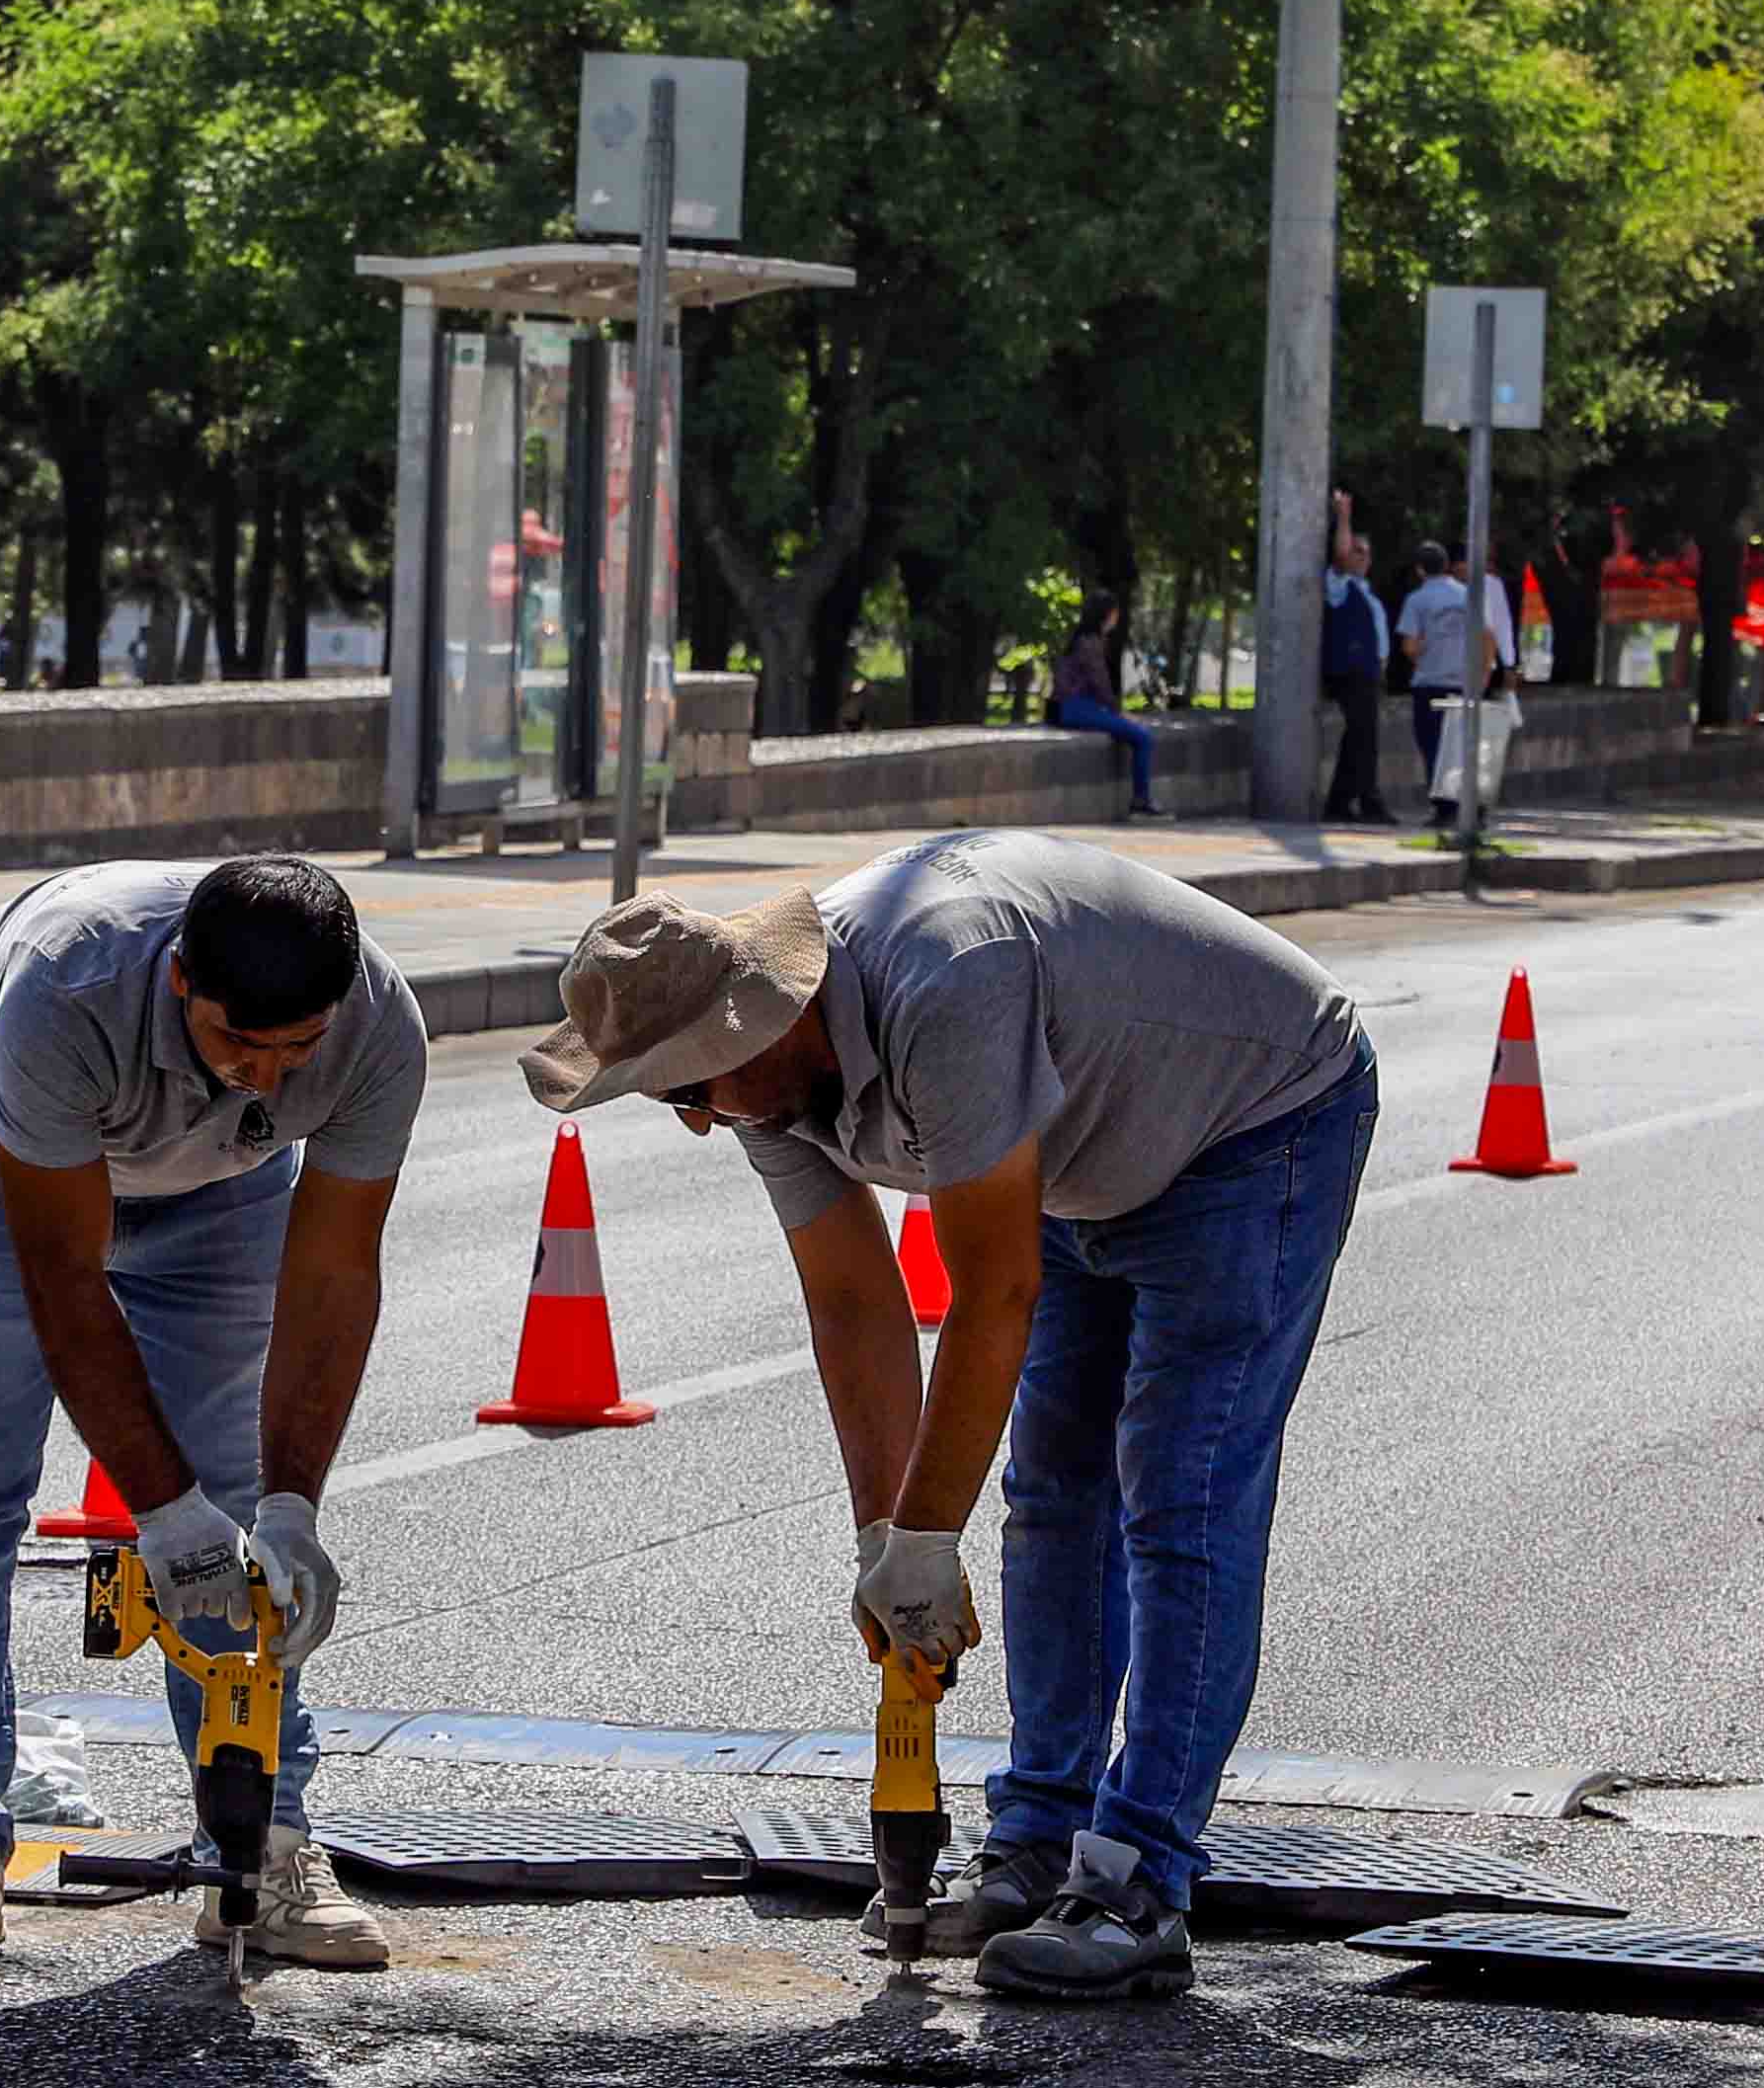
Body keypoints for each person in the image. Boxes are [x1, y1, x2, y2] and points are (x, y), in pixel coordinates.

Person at [526, 832, 1382, 2006]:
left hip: (1255, 1121)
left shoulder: (945, 982)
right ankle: (1041, 1837)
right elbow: (853, 1302)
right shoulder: (770, 1089)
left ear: (751, 1030)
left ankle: (1139, 1882)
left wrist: (930, 1531)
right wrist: (888, 1542)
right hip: (1082, 1150)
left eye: (688, 1090)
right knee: (1054, 1494)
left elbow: (994, 1293)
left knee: (1180, 1491)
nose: (696, 1122)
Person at [0, 853, 424, 1988]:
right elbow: (63, 1281)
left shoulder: (378, 1026)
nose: (264, 1071)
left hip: (223, 1187)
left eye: (296, 1049)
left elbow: (333, 1274)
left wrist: (291, 1504)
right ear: (180, 981)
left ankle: (261, 1835)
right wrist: (161, 1516)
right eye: (238, 1042)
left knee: (234, 1504)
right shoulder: (64, 989)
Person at [1043, 608, 1160, 817]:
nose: (1117, 617)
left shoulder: (1079, 640)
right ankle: (1141, 799)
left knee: (1137, 734)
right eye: (1114, 612)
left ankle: (1141, 799)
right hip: (1076, 709)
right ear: (1106, 614)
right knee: (1142, 737)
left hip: (1068, 708)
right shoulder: (1090, 643)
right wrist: (1118, 712)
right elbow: (1100, 684)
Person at [1401, 539, 1481, 825]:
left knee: (1433, 746)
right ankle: (1467, 805)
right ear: (1446, 565)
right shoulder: (1467, 595)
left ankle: (1444, 808)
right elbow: (1484, 636)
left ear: (1420, 570)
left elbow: (1410, 646)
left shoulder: (1417, 600)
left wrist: (1426, 649)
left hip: (1429, 683)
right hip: (1462, 683)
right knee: (1460, 748)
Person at [1319, 528, 1395, 824]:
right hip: (1350, 672)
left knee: (1359, 737)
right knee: (1363, 737)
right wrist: (1344, 517)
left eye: (1366, 553)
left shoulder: (1366, 593)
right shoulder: (1339, 586)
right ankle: (1368, 799)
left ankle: (1340, 801)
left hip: (1369, 672)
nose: (1363, 558)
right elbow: (1339, 558)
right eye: (1357, 551)